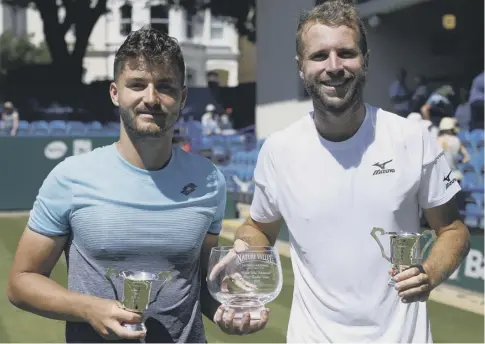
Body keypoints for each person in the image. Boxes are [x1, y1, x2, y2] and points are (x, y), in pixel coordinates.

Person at [210, 1, 470, 342]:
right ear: (301, 67)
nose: (334, 66)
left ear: (365, 60)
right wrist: (243, 248)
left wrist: (430, 272)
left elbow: (453, 230)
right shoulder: (279, 150)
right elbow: (260, 225)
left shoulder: (412, 138)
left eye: (346, 53)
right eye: (319, 56)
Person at [6, 28, 237, 343]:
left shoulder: (209, 180)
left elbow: (203, 283)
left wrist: (230, 309)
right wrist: (88, 308)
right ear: (115, 92)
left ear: (183, 97)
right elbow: (21, 282)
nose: (151, 98)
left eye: (165, 86)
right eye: (138, 85)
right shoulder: (70, 177)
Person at [437, 117, 470, 183]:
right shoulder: (457, 140)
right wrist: (458, 161)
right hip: (456, 175)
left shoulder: (437, 140)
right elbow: (467, 158)